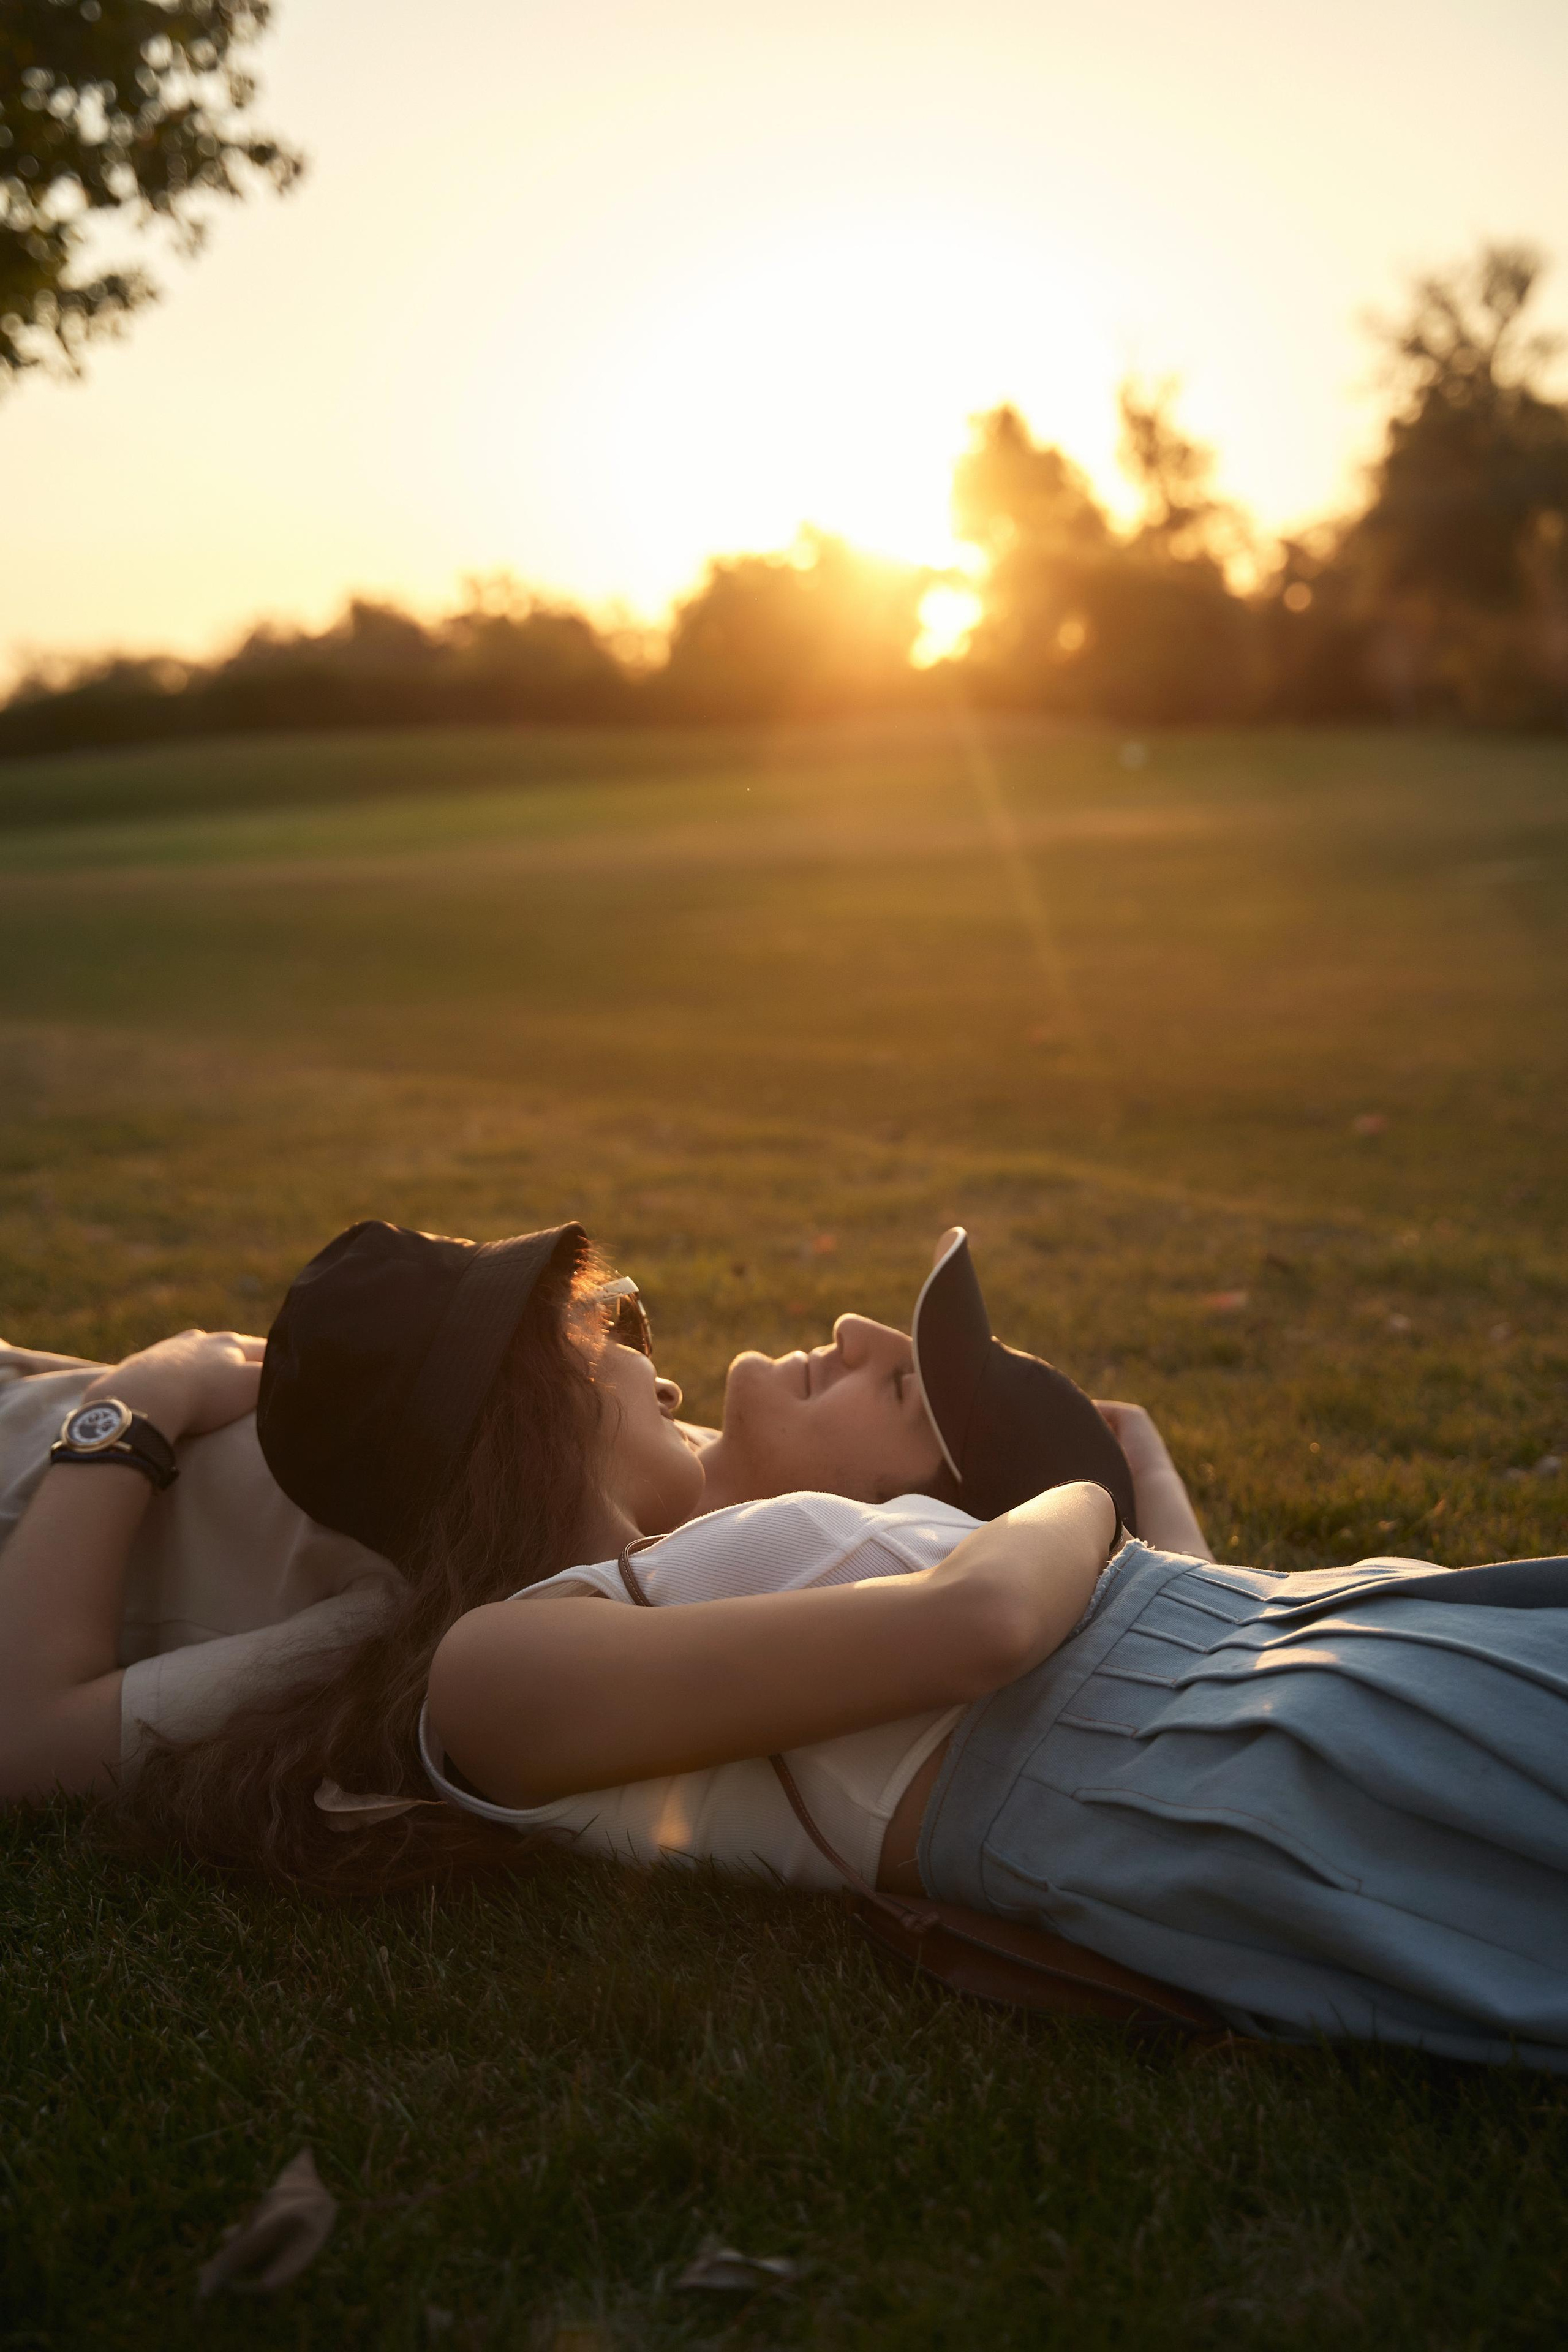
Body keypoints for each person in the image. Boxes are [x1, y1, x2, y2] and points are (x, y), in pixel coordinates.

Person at [0, 1218, 1142, 1819]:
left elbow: (30, 1749)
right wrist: (1132, 1466)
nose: (855, 1330)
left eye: (898, 1390)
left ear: (887, 1523)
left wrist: (134, 1405)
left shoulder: (511, 1595)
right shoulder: (652, 1464)